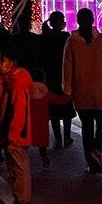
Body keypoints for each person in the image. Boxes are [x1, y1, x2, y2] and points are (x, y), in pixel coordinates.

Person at [63, 8, 102, 174]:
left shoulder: (72, 42)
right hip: (101, 89)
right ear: (93, 20)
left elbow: (67, 67)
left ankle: (91, 162)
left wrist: (68, 88)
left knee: (87, 127)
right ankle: (96, 149)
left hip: (82, 90)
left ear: (78, 21)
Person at [0, 44, 34, 204]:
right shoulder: (13, 79)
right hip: (15, 131)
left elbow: (18, 111)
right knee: (16, 167)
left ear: (12, 63)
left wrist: (13, 133)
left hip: (16, 133)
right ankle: (22, 203)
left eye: (2, 60)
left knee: (18, 168)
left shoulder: (17, 82)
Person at [40, 10, 75, 147]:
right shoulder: (65, 37)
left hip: (50, 78)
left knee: (54, 111)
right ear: (59, 23)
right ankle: (67, 137)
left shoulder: (45, 37)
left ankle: (58, 139)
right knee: (66, 109)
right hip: (64, 76)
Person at [30, 69, 53, 170]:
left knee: (24, 145)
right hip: (42, 123)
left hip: (29, 122)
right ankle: (45, 162)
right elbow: (58, 100)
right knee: (42, 145)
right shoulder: (45, 93)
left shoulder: (27, 92)